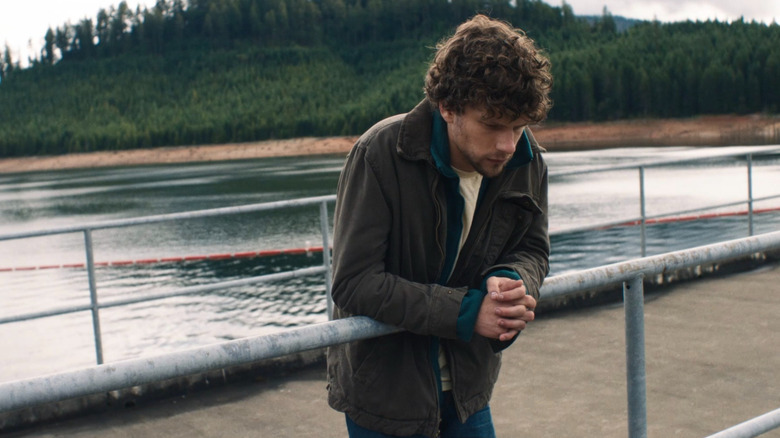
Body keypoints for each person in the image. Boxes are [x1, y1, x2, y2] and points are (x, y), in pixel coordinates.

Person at [327, 14, 553, 438]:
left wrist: (511, 282)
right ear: (448, 107)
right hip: (385, 398)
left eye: (520, 126)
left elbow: (533, 249)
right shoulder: (381, 154)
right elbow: (354, 282)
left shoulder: (526, 158)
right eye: (493, 125)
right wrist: (468, 312)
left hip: (468, 391)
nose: (509, 144)